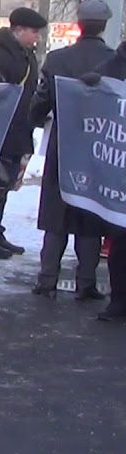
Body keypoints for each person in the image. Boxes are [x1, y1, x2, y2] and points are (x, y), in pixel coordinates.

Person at [29, 0, 117, 299]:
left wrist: (36, 118)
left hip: (62, 143)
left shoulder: (57, 59)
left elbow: (40, 102)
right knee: (90, 213)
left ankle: (46, 278)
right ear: (104, 25)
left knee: (57, 212)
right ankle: (86, 282)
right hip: (98, 147)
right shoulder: (115, 61)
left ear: (78, 23)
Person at [0, 8, 44, 259]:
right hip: (1, 130)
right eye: (34, 32)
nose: (37, 37)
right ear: (19, 30)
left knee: (4, 185)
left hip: (18, 128)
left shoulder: (27, 55)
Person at [79, 38, 126, 320]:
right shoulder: (113, 65)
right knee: (121, 238)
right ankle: (119, 300)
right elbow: (87, 101)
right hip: (118, 165)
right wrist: (89, 84)